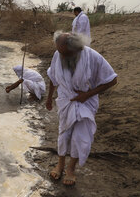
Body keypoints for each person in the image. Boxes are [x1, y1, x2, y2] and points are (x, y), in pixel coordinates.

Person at [46, 31, 117, 186]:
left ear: (77, 49)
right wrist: (49, 97)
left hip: (86, 101)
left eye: (66, 53)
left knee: (81, 136)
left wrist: (87, 95)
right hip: (66, 100)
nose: (62, 57)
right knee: (64, 133)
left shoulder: (92, 57)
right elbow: (52, 77)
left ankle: (71, 169)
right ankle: (60, 164)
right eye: (60, 53)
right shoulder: (58, 54)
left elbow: (112, 80)